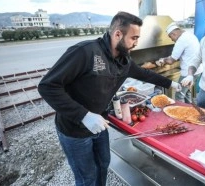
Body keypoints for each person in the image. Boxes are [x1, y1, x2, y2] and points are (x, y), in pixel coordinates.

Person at [38, 11, 181, 186]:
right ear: (118, 34)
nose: (136, 43)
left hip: (100, 124)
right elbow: (47, 86)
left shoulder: (124, 59)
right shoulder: (85, 52)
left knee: (103, 164)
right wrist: (83, 115)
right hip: (75, 130)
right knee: (86, 178)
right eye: (134, 38)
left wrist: (171, 84)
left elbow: (143, 74)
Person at [155, 22, 200, 103]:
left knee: (179, 95)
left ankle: (181, 112)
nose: (171, 39)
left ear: (174, 33)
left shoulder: (181, 40)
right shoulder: (189, 35)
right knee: (189, 93)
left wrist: (163, 60)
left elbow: (171, 60)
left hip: (187, 73)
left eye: (170, 37)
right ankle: (191, 110)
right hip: (198, 70)